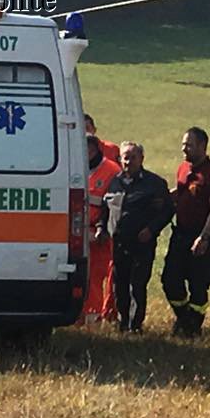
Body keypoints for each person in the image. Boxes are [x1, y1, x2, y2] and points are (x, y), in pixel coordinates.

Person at [99, 142, 174, 333]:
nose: (128, 161)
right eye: (125, 157)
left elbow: (167, 211)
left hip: (142, 243)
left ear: (141, 159)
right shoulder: (113, 182)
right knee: (119, 284)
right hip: (118, 243)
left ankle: (135, 325)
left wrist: (151, 229)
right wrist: (102, 227)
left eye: (132, 157)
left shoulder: (155, 184)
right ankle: (123, 322)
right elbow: (104, 208)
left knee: (137, 284)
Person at [162, 127, 210, 336]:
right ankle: (184, 318)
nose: (184, 149)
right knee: (170, 280)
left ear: (202, 146)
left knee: (198, 285)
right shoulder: (183, 168)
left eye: (189, 145)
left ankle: (193, 326)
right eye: (183, 144)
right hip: (180, 233)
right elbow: (180, 192)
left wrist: (204, 237)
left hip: (201, 236)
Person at [83, 135, 122, 323]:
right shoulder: (79, 167)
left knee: (95, 278)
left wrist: (102, 229)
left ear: (98, 150)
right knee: (81, 277)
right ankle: (81, 317)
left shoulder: (111, 171)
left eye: (90, 150)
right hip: (80, 233)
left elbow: (113, 205)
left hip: (100, 235)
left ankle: (94, 317)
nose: (87, 154)